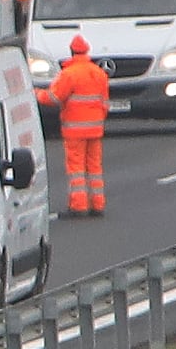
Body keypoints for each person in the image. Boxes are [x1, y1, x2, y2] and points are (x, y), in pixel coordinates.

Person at [53, 38, 111, 217]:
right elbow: (104, 103)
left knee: (76, 168)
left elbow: (55, 97)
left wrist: (35, 94)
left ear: (71, 51)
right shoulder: (99, 73)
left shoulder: (69, 74)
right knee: (94, 167)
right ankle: (98, 205)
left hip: (74, 130)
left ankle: (79, 206)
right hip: (95, 128)